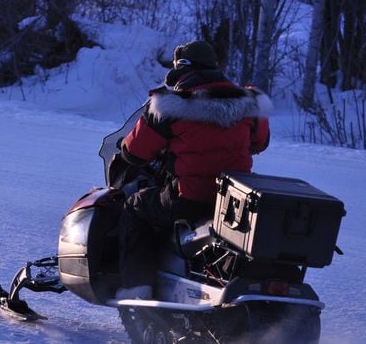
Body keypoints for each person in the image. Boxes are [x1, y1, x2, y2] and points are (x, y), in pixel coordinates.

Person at [114, 40, 272, 300]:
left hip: (189, 197)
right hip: (233, 201)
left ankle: (137, 288)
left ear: (180, 69)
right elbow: (260, 143)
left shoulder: (169, 104)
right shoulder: (248, 103)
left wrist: (126, 147)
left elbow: (136, 153)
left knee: (136, 206)